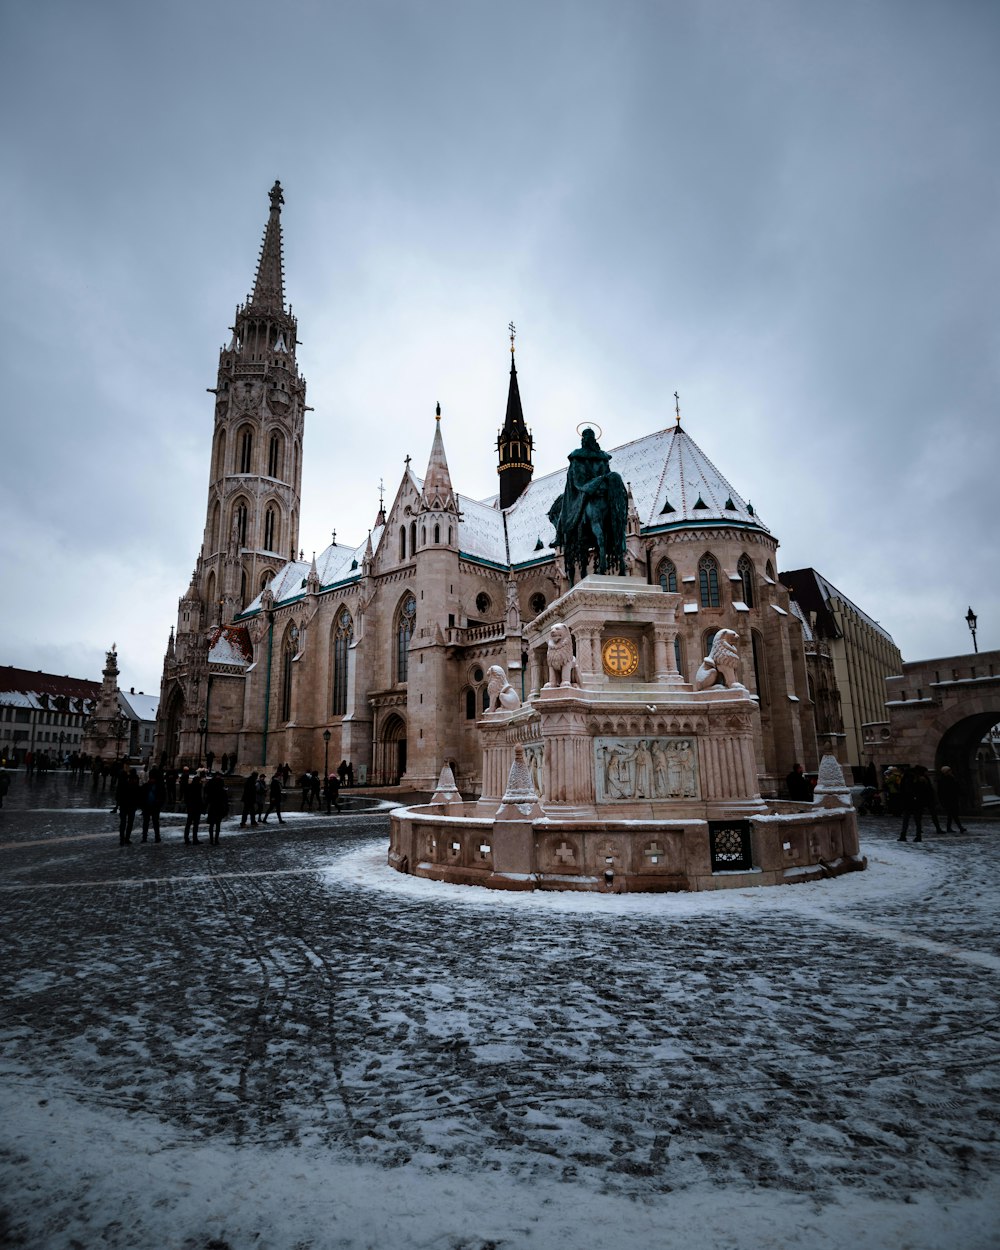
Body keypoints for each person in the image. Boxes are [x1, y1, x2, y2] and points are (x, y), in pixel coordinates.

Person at [937, 766, 966, 833]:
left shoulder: (952, 778)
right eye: (949, 771)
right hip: (948, 799)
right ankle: (959, 827)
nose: (951, 772)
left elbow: (956, 787)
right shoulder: (943, 780)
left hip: (953, 798)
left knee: (952, 814)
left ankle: (951, 827)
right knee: (953, 814)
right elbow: (941, 791)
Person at [117, 764, 141, 845]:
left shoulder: (124, 782)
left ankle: (122, 838)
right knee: (129, 823)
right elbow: (138, 794)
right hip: (131, 805)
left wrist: (118, 803)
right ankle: (126, 838)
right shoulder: (135, 783)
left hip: (124, 805)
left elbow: (119, 793)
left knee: (123, 823)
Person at [140, 766, 165, 843]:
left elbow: (162, 797)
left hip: (154, 806)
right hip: (147, 806)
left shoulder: (158, 787)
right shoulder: (147, 786)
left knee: (155, 822)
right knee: (147, 823)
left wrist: (159, 804)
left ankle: (157, 837)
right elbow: (141, 796)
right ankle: (145, 837)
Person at [205, 772, 229, 844]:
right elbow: (224, 797)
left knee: (212, 824)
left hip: (213, 806)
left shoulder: (211, 783)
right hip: (218, 806)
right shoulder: (220, 784)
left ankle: (212, 840)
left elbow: (207, 794)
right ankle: (215, 840)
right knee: (217, 824)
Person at [184, 770, 205, 843]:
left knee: (188, 823)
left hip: (190, 807)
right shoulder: (198, 788)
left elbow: (186, 798)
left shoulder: (189, 787)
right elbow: (200, 799)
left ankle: (186, 838)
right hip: (196, 807)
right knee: (195, 824)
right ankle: (194, 839)